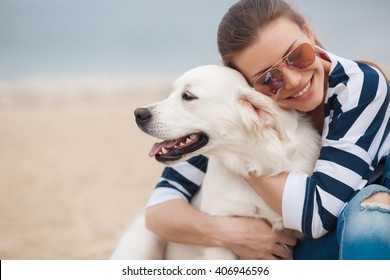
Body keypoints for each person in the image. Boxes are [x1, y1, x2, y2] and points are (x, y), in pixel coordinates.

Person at [144, 0, 390, 260]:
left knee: (369, 216)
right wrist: (228, 233)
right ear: (248, 85)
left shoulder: (359, 86)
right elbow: (158, 212)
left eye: (297, 56)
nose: (294, 81)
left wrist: (241, 145)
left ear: (307, 32)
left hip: (351, 233)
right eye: (268, 78)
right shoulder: (241, 110)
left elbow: (316, 215)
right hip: (292, 248)